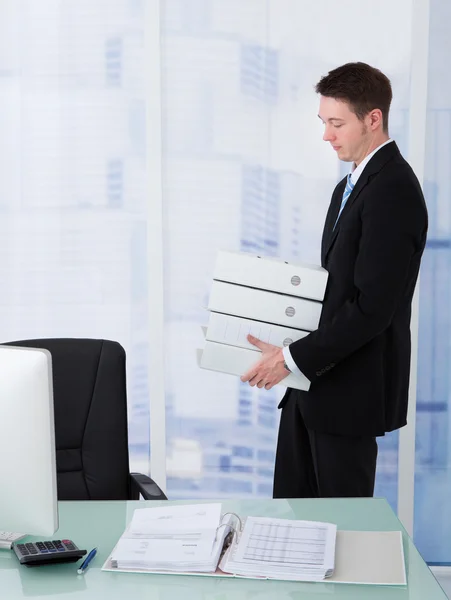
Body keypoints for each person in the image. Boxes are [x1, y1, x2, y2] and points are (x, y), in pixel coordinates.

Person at [240, 62, 428, 498]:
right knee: (295, 521)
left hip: (350, 394)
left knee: (341, 534)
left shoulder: (393, 188)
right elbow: (337, 292)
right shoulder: (350, 185)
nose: (327, 134)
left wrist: (291, 359)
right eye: (324, 122)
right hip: (315, 386)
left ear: (373, 118)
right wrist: (290, 350)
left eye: (337, 123)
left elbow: (372, 308)